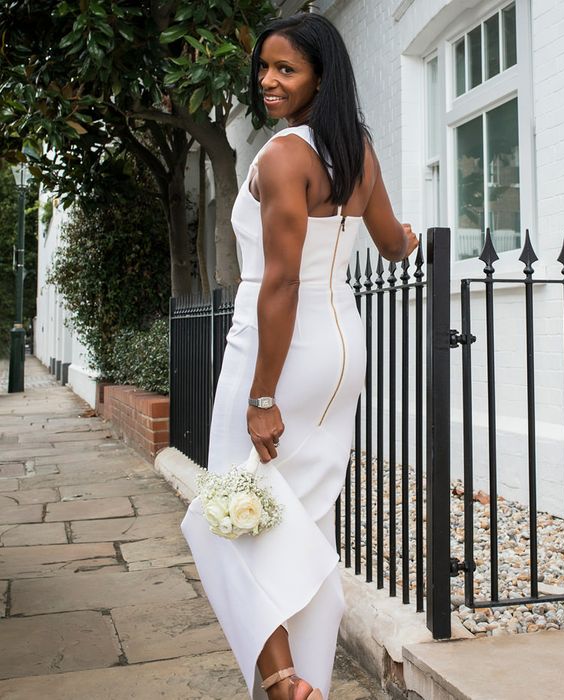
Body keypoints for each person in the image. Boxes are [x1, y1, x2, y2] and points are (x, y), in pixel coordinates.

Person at [180, 12, 418, 700]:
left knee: (234, 507)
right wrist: (415, 239)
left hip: (278, 345)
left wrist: (261, 396)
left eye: (287, 69)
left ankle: (284, 683)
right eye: (264, 67)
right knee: (301, 514)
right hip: (342, 344)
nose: (269, 82)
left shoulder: (286, 156)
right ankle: (305, 676)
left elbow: (280, 282)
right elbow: (393, 244)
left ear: (321, 76)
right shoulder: (357, 151)